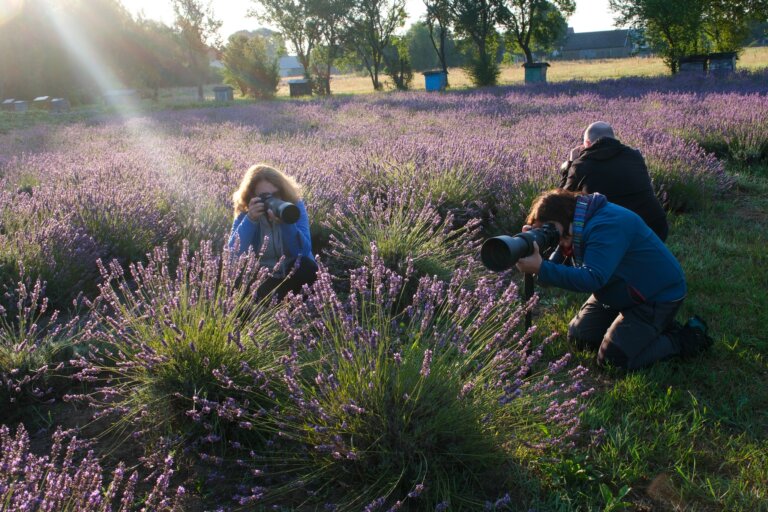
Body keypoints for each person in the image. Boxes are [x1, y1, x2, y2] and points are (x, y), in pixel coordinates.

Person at [515, 188, 712, 370]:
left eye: (549, 228)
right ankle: (643, 330)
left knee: (613, 360)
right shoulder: (576, 224)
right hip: (618, 291)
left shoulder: (606, 225)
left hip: (656, 295)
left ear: (564, 216)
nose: (550, 234)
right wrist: (533, 248)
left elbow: (592, 278)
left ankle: (682, 338)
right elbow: (548, 277)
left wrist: (541, 267)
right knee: (581, 339)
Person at [560, 121, 669, 241]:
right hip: (654, 226)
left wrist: (570, 164)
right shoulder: (635, 156)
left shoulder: (581, 166)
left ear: (587, 143)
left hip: (614, 232)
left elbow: (562, 198)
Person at [228, 164, 317, 299]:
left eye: (275, 194)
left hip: (290, 274)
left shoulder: (294, 206)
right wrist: (250, 220)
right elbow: (232, 254)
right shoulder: (246, 212)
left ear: (283, 191)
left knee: (307, 266)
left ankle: (293, 306)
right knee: (234, 274)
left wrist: (287, 223)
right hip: (261, 277)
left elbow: (303, 251)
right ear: (252, 196)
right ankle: (256, 309)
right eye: (265, 196)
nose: (272, 200)